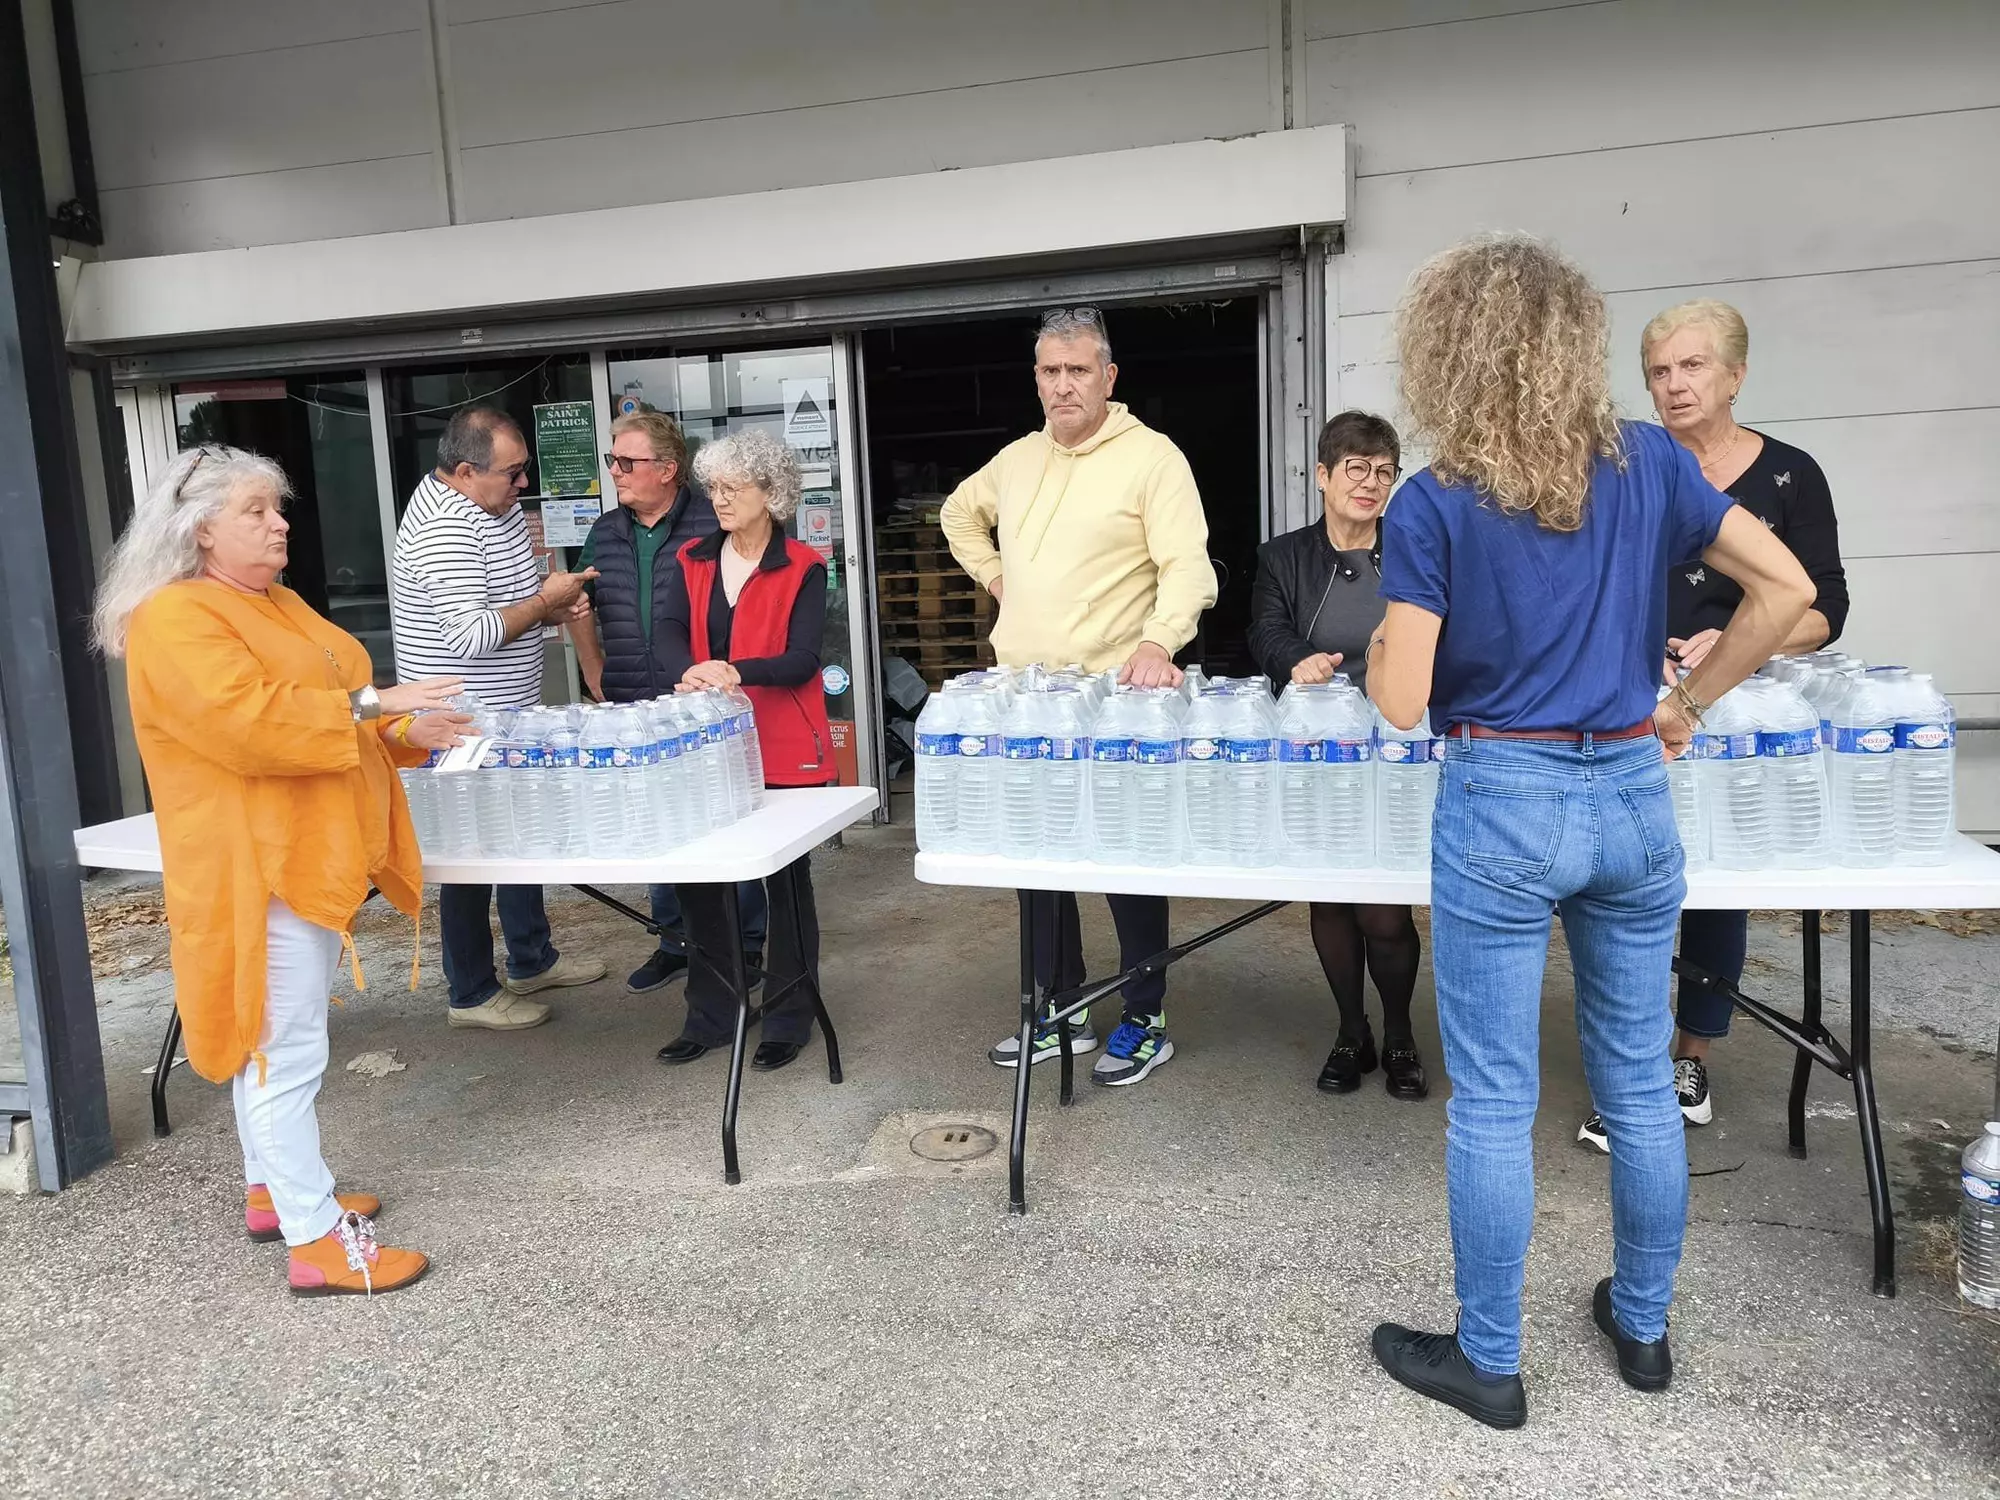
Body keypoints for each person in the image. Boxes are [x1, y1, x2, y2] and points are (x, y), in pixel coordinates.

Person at [1363, 236, 1814, 1427]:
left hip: (1500, 797)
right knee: (1634, 1081)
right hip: (1627, 790)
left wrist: (1375, 639)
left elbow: (1401, 699)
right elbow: (1784, 595)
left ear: (1447, 353)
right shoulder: (1649, 469)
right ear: (1574, 345)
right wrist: (1683, 705)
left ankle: (1490, 1360)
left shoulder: (1433, 500)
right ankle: (1643, 1326)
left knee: (1498, 1100)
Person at [93, 446, 471, 1295]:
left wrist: (408, 736)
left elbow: (324, 714)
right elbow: (252, 725)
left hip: (304, 854)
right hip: (255, 864)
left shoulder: (278, 599)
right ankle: (315, 1237)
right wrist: (382, 706)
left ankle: (272, 1191)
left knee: (278, 1042)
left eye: (279, 508)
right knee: (284, 1050)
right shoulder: (174, 618)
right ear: (199, 531)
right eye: (257, 511)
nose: (280, 524)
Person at [1577, 299, 1849, 1152]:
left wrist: (1737, 640)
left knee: (1710, 882)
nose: (1673, 384)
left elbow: (1823, 607)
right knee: (1618, 880)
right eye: (1659, 371)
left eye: (1692, 367)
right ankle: (1630, 1061)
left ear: (1736, 375)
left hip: (1735, 714)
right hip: (1631, 703)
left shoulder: (1789, 476)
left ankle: (1688, 1059)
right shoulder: (1629, 469)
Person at [942, 306, 1217, 1087]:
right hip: (1027, 702)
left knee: (1127, 861)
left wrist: (1158, 642)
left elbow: (1189, 569)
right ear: (1036, 379)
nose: (1063, 385)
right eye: (1050, 372)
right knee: (1038, 860)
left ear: (1109, 377)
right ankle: (1059, 1009)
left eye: (1078, 370)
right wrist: (998, 578)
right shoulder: (1018, 459)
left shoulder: (1152, 459)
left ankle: (1145, 1014)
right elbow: (960, 514)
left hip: (1114, 699)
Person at [390, 404, 607, 1030]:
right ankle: (471, 993)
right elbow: (466, 638)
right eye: (511, 474)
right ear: (464, 470)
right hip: (460, 720)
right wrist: (546, 601)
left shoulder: (497, 509)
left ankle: (531, 957)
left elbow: (518, 599)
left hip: (509, 712)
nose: (521, 485)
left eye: (524, 471)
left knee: (517, 834)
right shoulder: (445, 530)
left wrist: (549, 605)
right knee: (471, 850)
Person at [1249, 411, 1427, 1100]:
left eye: (1384, 471)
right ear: (1322, 476)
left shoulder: (1412, 550)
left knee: (1384, 907)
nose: (1371, 483)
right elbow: (1265, 630)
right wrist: (1298, 661)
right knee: (1330, 898)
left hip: (1396, 748)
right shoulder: (1284, 557)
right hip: (1318, 749)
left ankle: (1402, 1033)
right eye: (1356, 468)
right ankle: (1351, 1032)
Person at [566, 408, 767, 994]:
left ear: (669, 469)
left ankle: (746, 941)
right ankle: (674, 939)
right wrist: (593, 669)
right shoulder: (606, 530)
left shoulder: (714, 522)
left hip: (702, 703)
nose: (616, 473)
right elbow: (579, 601)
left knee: (724, 820)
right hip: (633, 702)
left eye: (627, 463)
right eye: (613, 461)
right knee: (655, 823)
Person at [652, 429, 835, 1071]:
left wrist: (734, 670)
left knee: (785, 886)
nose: (720, 499)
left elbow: (803, 660)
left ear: (771, 492)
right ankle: (712, 1013)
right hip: (711, 747)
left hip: (785, 747)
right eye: (714, 488)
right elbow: (668, 630)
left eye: (734, 487)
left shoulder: (804, 566)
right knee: (705, 885)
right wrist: (694, 669)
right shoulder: (694, 558)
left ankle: (788, 1016)